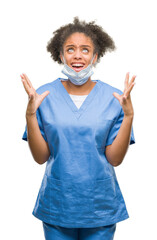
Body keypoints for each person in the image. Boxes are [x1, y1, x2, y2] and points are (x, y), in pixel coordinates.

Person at [21, 17, 135, 240]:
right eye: (70, 49)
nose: (77, 55)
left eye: (85, 50)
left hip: (99, 206)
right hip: (58, 204)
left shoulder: (114, 99)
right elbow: (40, 157)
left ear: (95, 56)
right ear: (61, 55)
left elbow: (115, 159)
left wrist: (129, 115)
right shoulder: (43, 96)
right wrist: (30, 115)